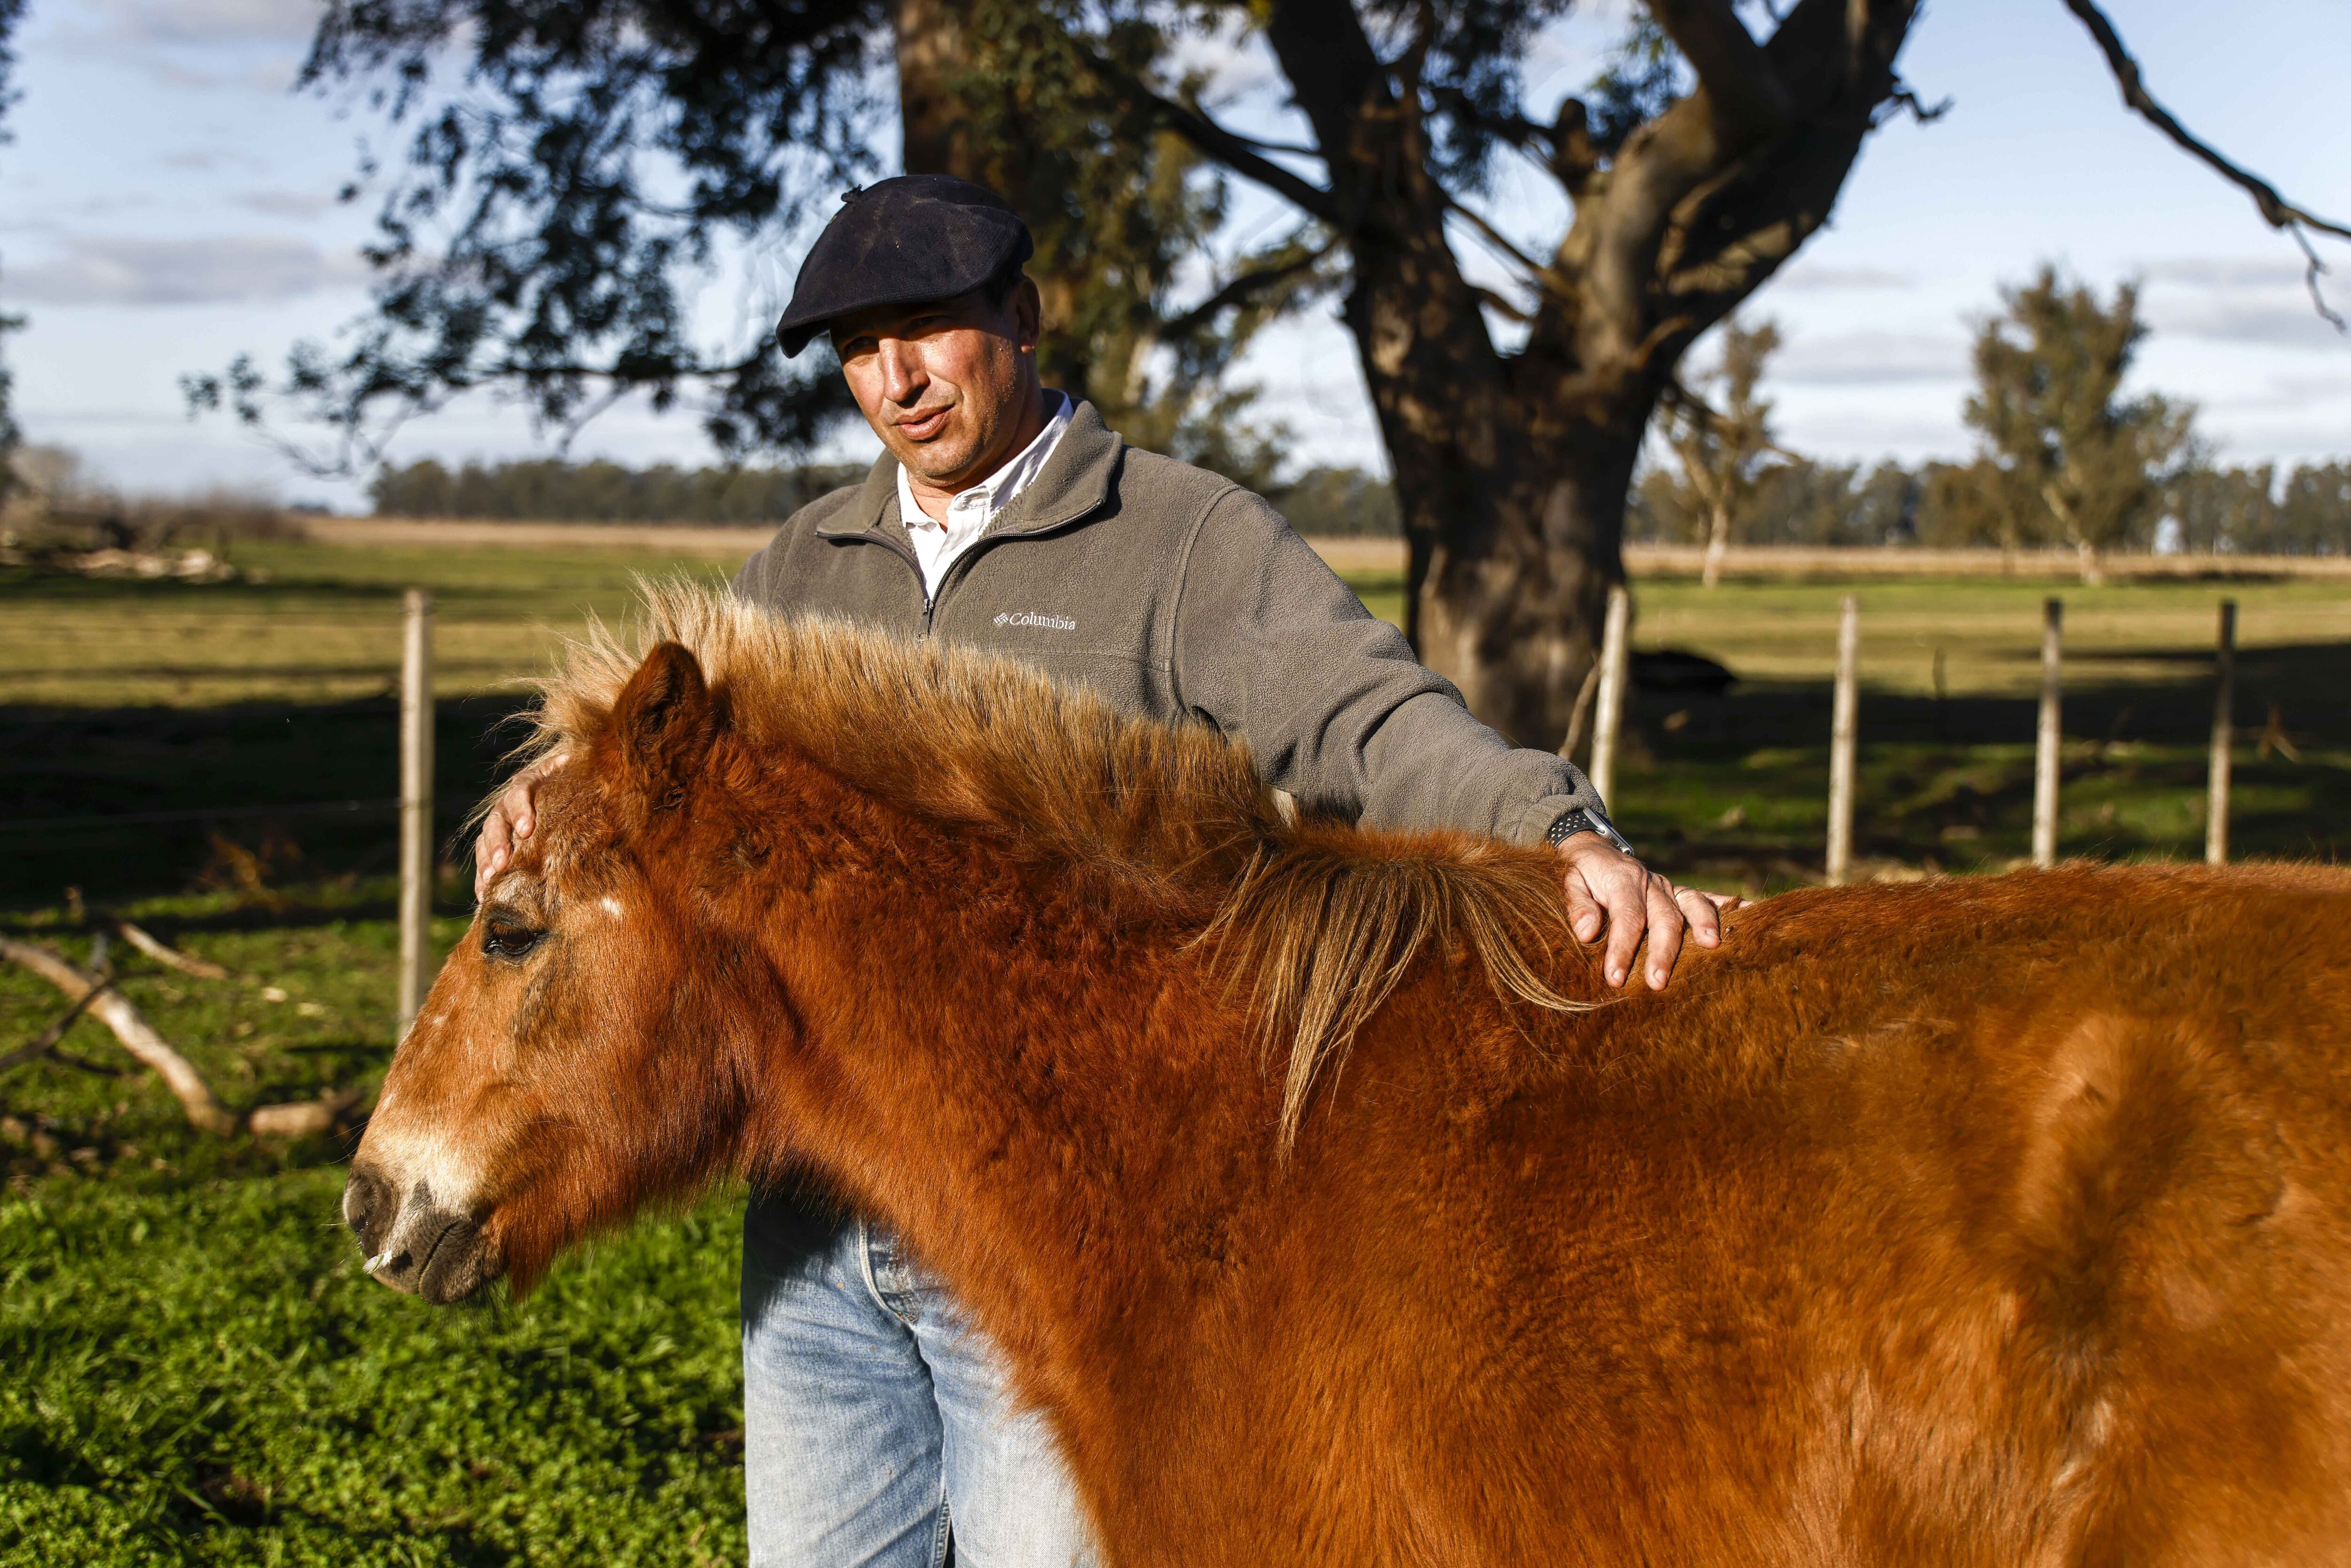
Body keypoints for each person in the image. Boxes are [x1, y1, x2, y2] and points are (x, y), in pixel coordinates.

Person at [472, 174, 1737, 1568]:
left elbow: (1362, 715)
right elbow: (674, 768)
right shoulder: (810, 559)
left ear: (1021, 317)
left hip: (1067, 1235)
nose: (893, 381)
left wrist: (1555, 828)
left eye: (926, 329)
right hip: (822, 1253)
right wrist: (546, 797)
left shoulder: (1184, 540)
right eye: (854, 350)